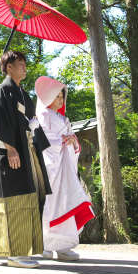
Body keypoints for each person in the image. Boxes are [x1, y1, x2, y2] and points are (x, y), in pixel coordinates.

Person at [0, 50, 51, 268]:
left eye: (24, 63)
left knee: (30, 198)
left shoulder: (22, 93)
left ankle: (22, 249)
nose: (24, 67)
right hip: (12, 153)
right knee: (15, 201)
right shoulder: (1, 92)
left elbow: (32, 120)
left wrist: (36, 136)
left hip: (27, 150)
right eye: (19, 63)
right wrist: (9, 148)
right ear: (8, 67)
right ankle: (15, 252)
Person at [34, 76, 94, 261]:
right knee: (49, 203)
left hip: (64, 166)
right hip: (50, 165)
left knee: (66, 201)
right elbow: (40, 140)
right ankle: (42, 244)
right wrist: (61, 141)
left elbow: (74, 141)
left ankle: (63, 246)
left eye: (62, 97)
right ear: (48, 96)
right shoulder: (42, 116)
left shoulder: (63, 118)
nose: (61, 100)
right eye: (57, 96)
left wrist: (72, 141)